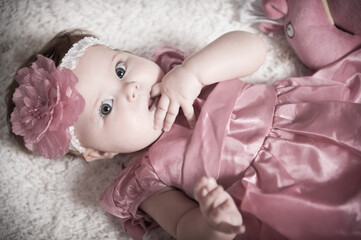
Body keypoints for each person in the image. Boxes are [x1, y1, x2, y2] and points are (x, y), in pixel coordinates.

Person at [6, 29, 361, 240]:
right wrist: (213, 223)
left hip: (311, 119)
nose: (130, 87)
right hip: (284, 192)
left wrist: (194, 72)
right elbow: (182, 226)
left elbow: (254, 49)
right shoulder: (144, 177)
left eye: (120, 68)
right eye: (106, 108)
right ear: (99, 154)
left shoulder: (181, 74)